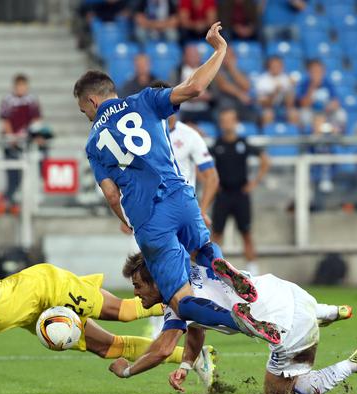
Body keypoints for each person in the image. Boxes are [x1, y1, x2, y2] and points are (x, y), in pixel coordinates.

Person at [74, 23, 279, 345]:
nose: (84, 115)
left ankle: (236, 319)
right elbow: (194, 88)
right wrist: (220, 50)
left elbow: (111, 194)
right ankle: (219, 263)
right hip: (181, 195)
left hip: (149, 217)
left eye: (83, 109)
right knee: (200, 249)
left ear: (92, 100)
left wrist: (125, 221)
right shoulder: (144, 100)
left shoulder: (93, 143)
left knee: (180, 302)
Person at [0, 263, 218, 394]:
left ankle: (185, 300)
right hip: (33, 316)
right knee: (109, 348)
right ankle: (196, 355)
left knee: (127, 312)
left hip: (46, 285)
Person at [112, 253, 357, 394]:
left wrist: (126, 371)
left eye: (138, 286)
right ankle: (331, 311)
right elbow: (196, 327)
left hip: (286, 324)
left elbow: (162, 349)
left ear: (157, 282)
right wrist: (185, 365)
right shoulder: (186, 277)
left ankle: (355, 363)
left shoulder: (176, 304)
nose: (136, 294)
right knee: (294, 308)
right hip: (286, 290)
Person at [145, 80, 220, 339]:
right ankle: (165, 328)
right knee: (153, 270)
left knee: (191, 273)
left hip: (177, 212)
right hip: (151, 213)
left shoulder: (189, 136)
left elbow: (211, 177)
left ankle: (194, 329)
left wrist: (200, 209)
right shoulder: (145, 135)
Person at [210, 108, 270, 277]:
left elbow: (265, 160)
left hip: (240, 194)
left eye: (229, 120)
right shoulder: (217, 145)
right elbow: (203, 165)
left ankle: (253, 271)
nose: (226, 123)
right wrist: (213, 185)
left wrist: (255, 182)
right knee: (216, 234)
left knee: (246, 233)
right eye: (223, 120)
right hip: (222, 195)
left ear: (235, 122)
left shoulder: (243, 143)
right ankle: (213, 270)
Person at [0, 73, 43, 212]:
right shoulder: (8, 100)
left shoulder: (31, 100)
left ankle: (29, 201)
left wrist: (32, 135)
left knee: (32, 173)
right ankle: (10, 201)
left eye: (23, 86)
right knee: (13, 175)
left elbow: (36, 120)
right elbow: (4, 121)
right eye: (18, 86)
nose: (21, 88)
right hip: (12, 144)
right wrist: (12, 137)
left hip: (27, 144)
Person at [296, 59, 346, 133]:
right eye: (314, 71)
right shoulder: (304, 84)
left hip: (327, 112)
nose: (317, 74)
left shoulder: (328, 83)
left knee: (341, 114)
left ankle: (336, 137)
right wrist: (312, 86)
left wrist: (330, 106)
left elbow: (336, 102)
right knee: (304, 115)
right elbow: (304, 104)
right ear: (309, 72)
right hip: (311, 112)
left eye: (319, 71)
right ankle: (310, 137)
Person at [214, 46, 259, 123]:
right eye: (225, 56)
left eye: (230, 56)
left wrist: (232, 68)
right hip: (224, 106)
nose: (227, 59)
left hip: (241, 106)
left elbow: (246, 86)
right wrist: (239, 94)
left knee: (255, 116)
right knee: (229, 114)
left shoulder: (240, 71)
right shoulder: (217, 70)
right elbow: (223, 85)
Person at [176, 44, 214, 124]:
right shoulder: (177, 71)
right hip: (183, 109)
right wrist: (191, 95)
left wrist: (208, 96)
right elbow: (172, 90)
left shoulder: (207, 70)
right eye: (190, 55)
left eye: (195, 55)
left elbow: (214, 93)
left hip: (203, 108)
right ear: (184, 57)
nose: (193, 57)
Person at [254, 55, 297, 126]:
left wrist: (291, 88)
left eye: (278, 66)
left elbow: (290, 104)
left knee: (293, 114)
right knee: (268, 114)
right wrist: (275, 92)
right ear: (269, 67)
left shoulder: (286, 79)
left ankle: (293, 134)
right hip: (267, 108)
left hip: (283, 108)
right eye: (274, 66)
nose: (276, 68)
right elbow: (263, 103)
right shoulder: (262, 81)